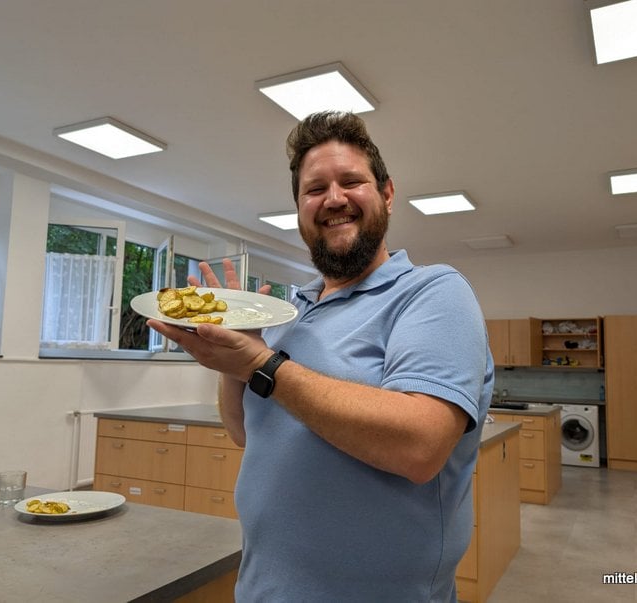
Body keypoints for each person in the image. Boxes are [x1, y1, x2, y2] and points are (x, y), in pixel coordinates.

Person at [148, 111, 494, 602]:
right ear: (299, 209)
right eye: (315, 189)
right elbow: (246, 432)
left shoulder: (433, 292)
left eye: (351, 181)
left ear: (387, 194)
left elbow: (420, 447)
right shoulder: (290, 310)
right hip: (262, 589)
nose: (333, 198)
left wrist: (262, 365)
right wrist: (234, 362)